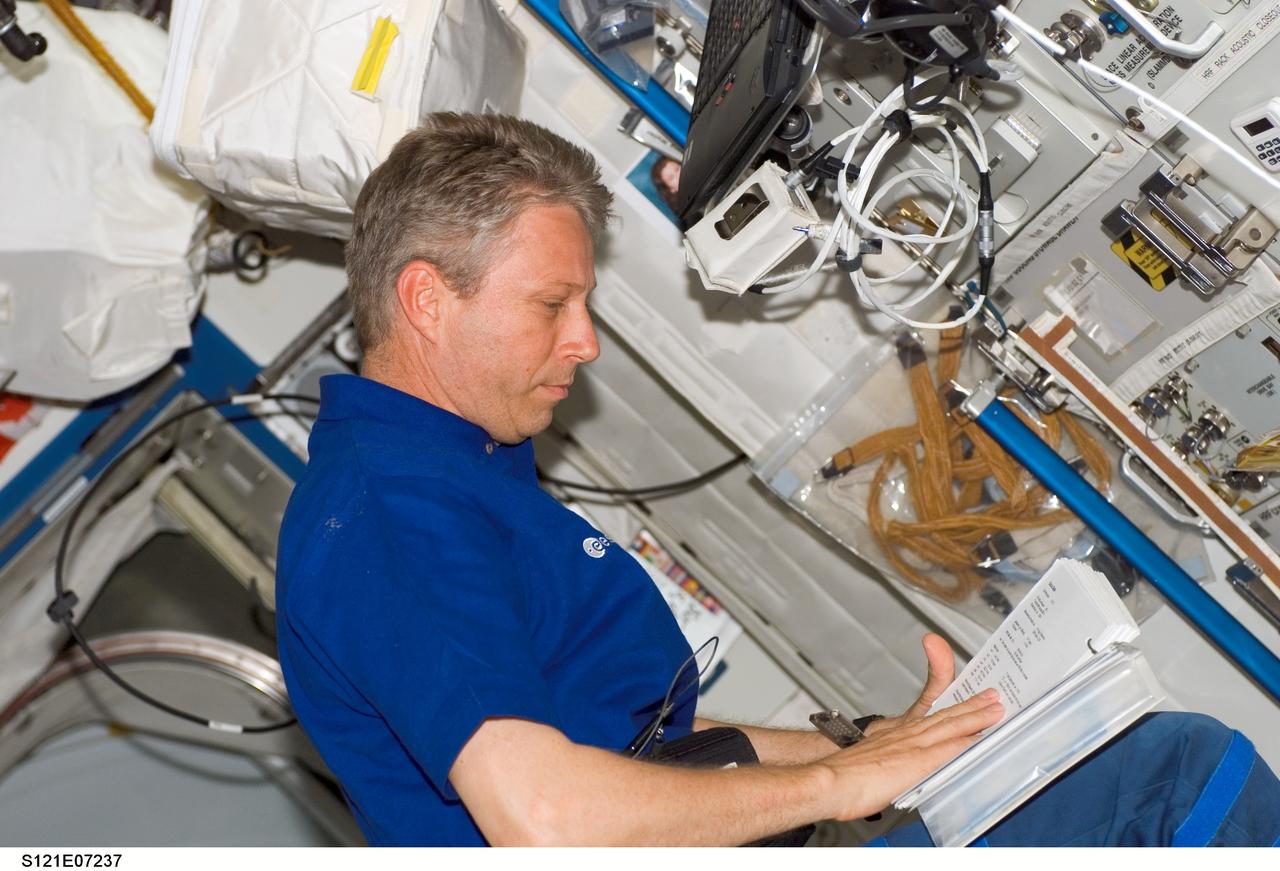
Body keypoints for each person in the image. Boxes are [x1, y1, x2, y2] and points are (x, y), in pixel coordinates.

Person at [274, 112, 1280, 847]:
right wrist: (840, 781)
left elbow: (642, 749)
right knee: (1176, 775)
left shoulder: (456, 473)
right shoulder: (387, 511)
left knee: (1140, 764)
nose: (582, 341)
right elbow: (543, 814)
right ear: (425, 300)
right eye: (551, 304)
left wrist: (876, 743)